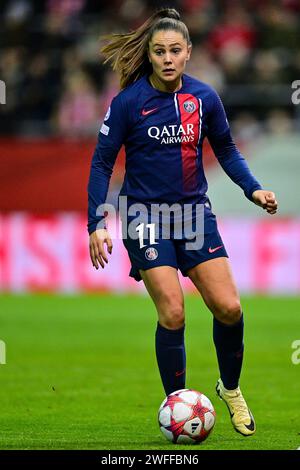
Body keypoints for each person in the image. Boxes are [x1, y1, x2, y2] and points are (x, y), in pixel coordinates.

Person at [87, 8, 278, 437]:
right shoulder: (128, 103)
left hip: (193, 215)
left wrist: (253, 189)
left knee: (229, 308)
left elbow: (226, 150)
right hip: (144, 217)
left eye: (175, 50)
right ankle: (177, 405)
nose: (168, 58)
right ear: (150, 56)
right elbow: (101, 164)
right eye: (159, 51)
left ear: (188, 52)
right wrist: (96, 222)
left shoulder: (204, 99)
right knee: (173, 313)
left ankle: (229, 388)